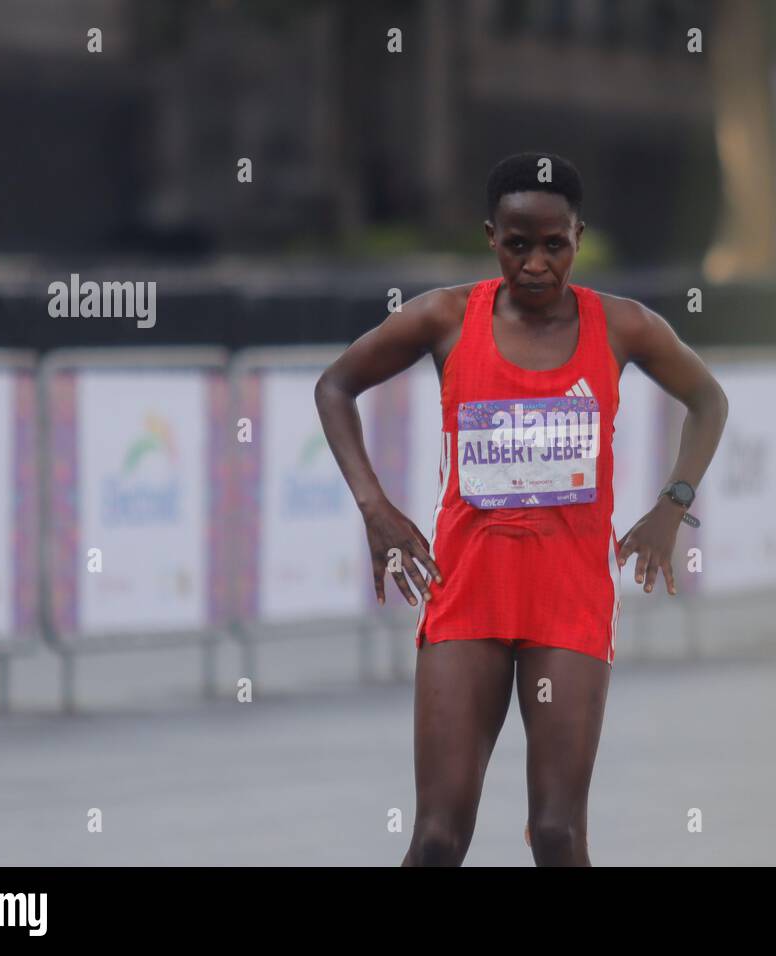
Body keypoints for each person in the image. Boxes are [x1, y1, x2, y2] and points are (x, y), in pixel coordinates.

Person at [313, 152, 728, 866]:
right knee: (439, 838)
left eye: (554, 245)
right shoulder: (447, 318)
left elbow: (707, 400)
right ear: (490, 237)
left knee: (559, 835)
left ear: (579, 237)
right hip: (467, 593)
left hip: (567, 600)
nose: (536, 264)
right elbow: (335, 386)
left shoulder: (621, 327)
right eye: (517, 244)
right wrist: (373, 507)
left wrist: (673, 504)